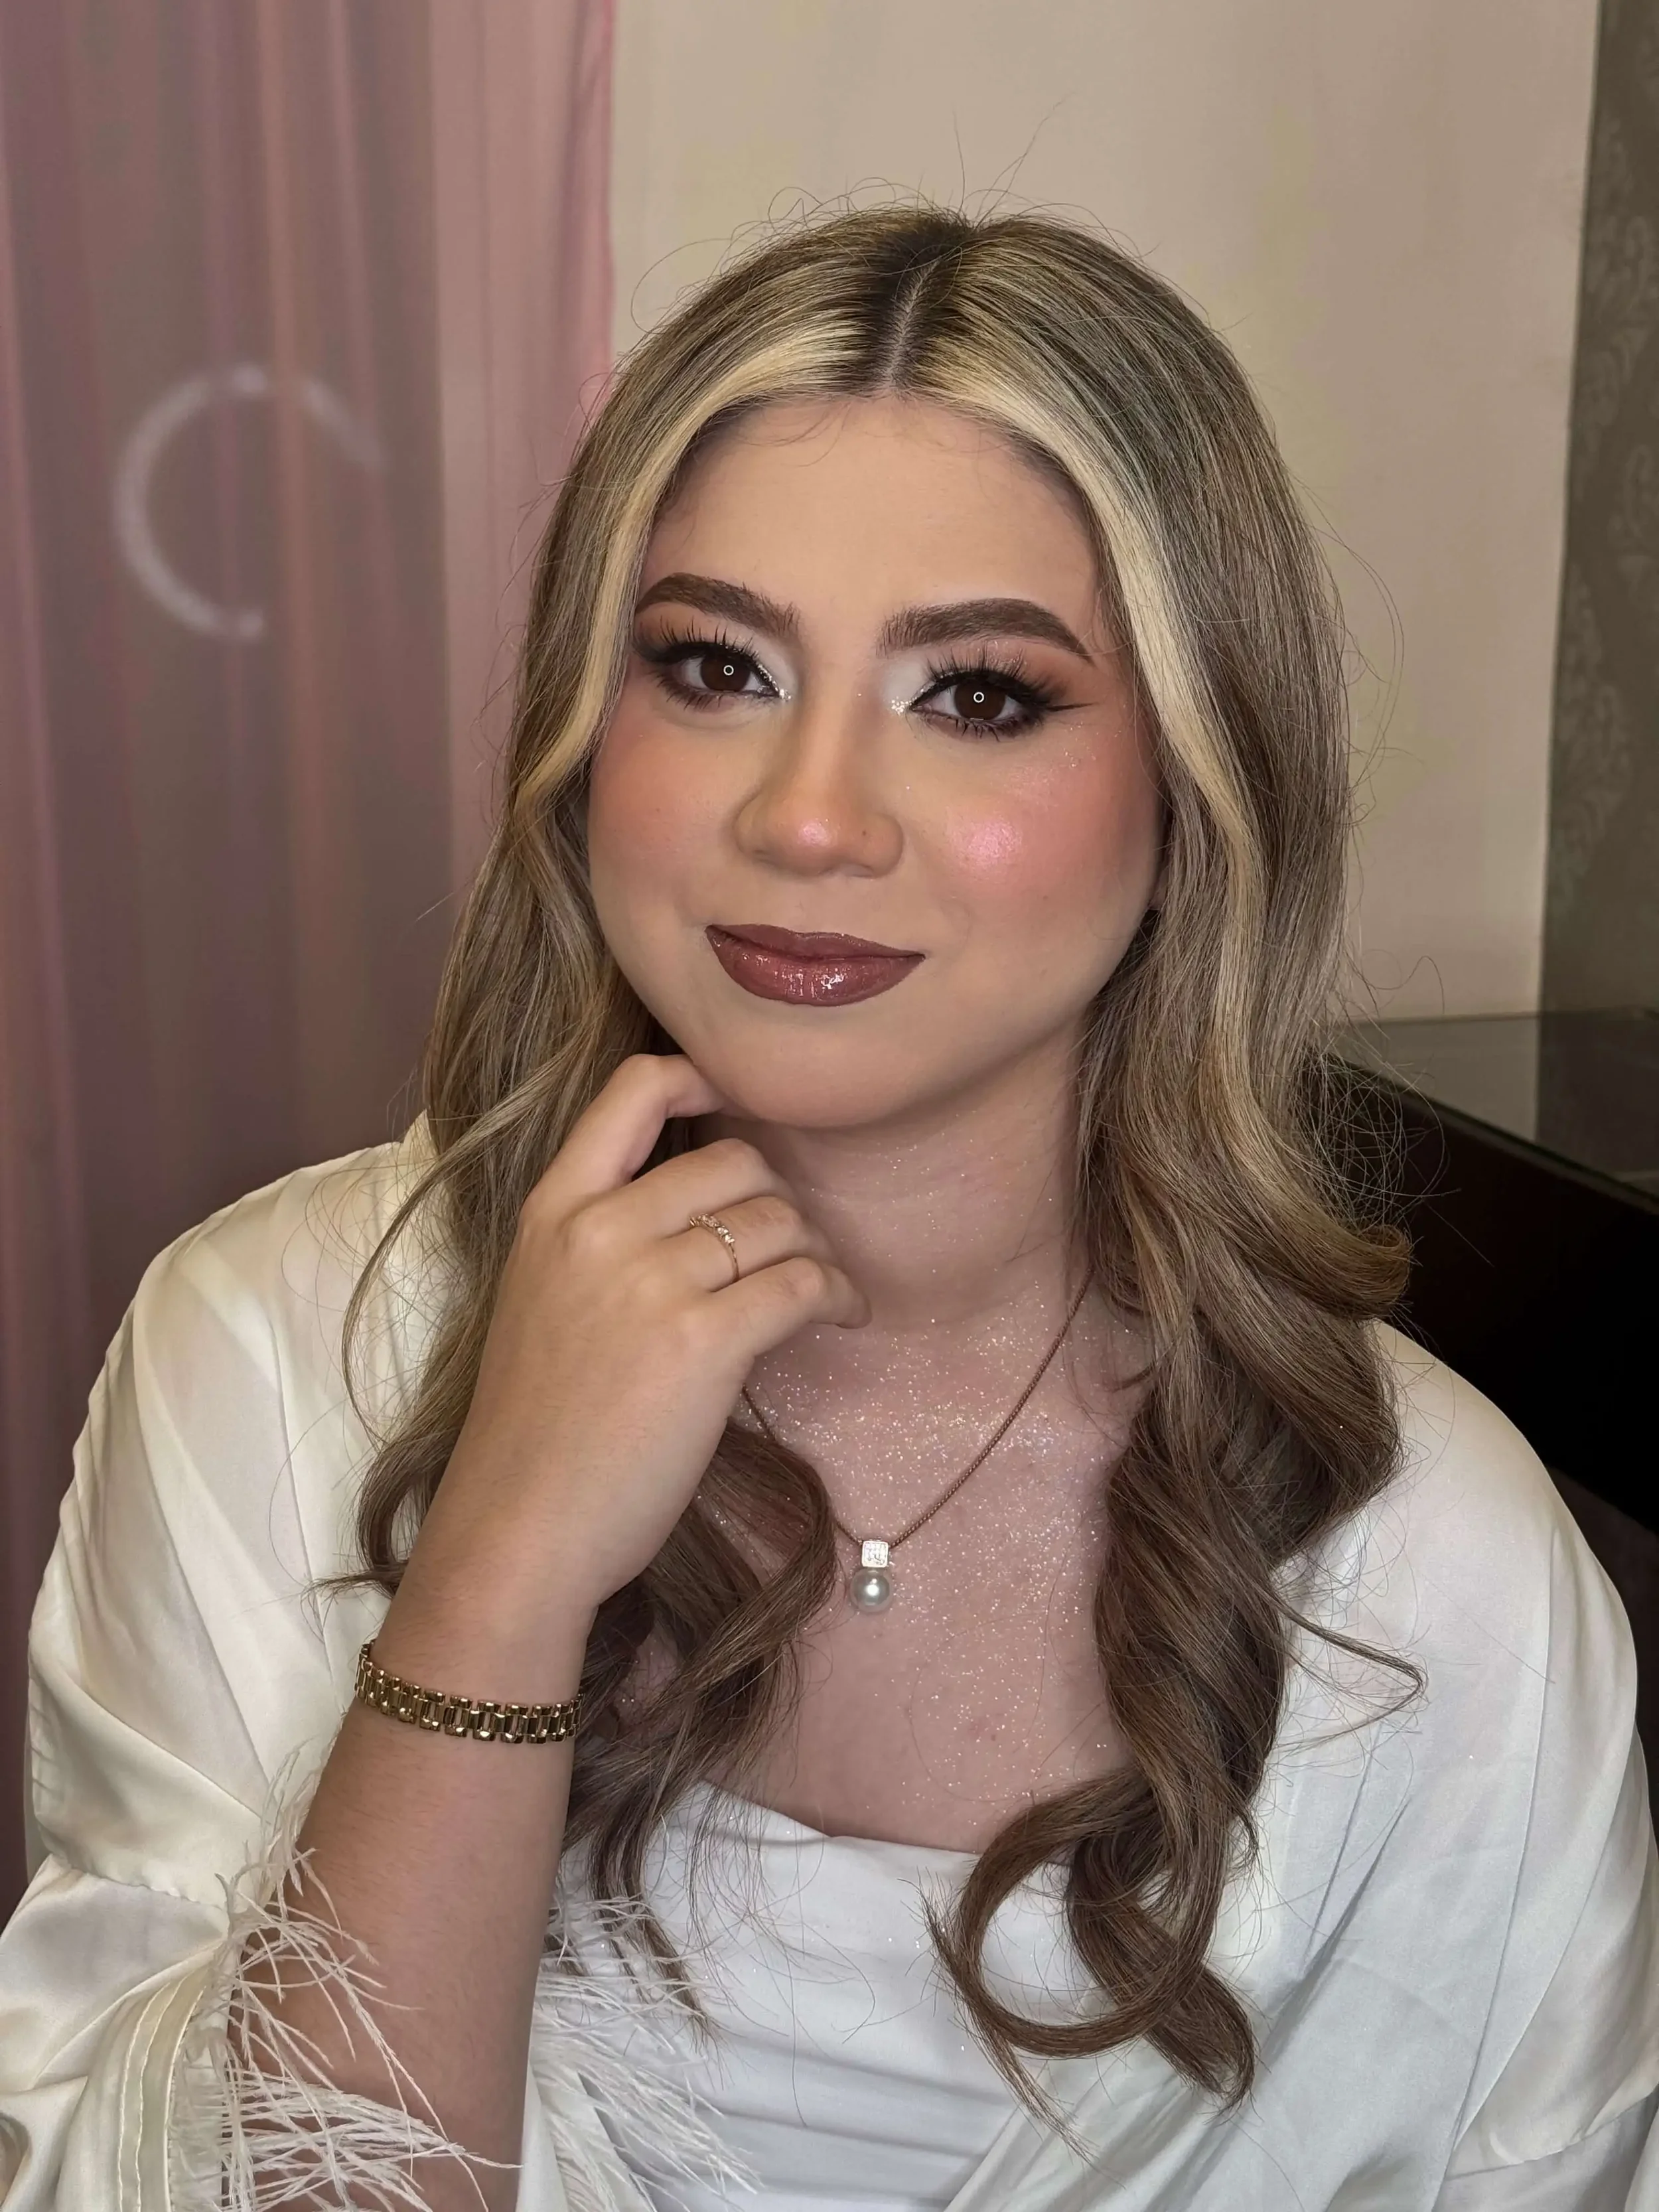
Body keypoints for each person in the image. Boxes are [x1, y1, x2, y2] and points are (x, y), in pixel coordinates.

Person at [0, 204, 1654, 2212]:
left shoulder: (1435, 1566)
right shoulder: (270, 1355)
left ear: (1196, 786)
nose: (803, 815)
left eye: (977, 695)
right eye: (713, 667)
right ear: (583, 735)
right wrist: (497, 1573)